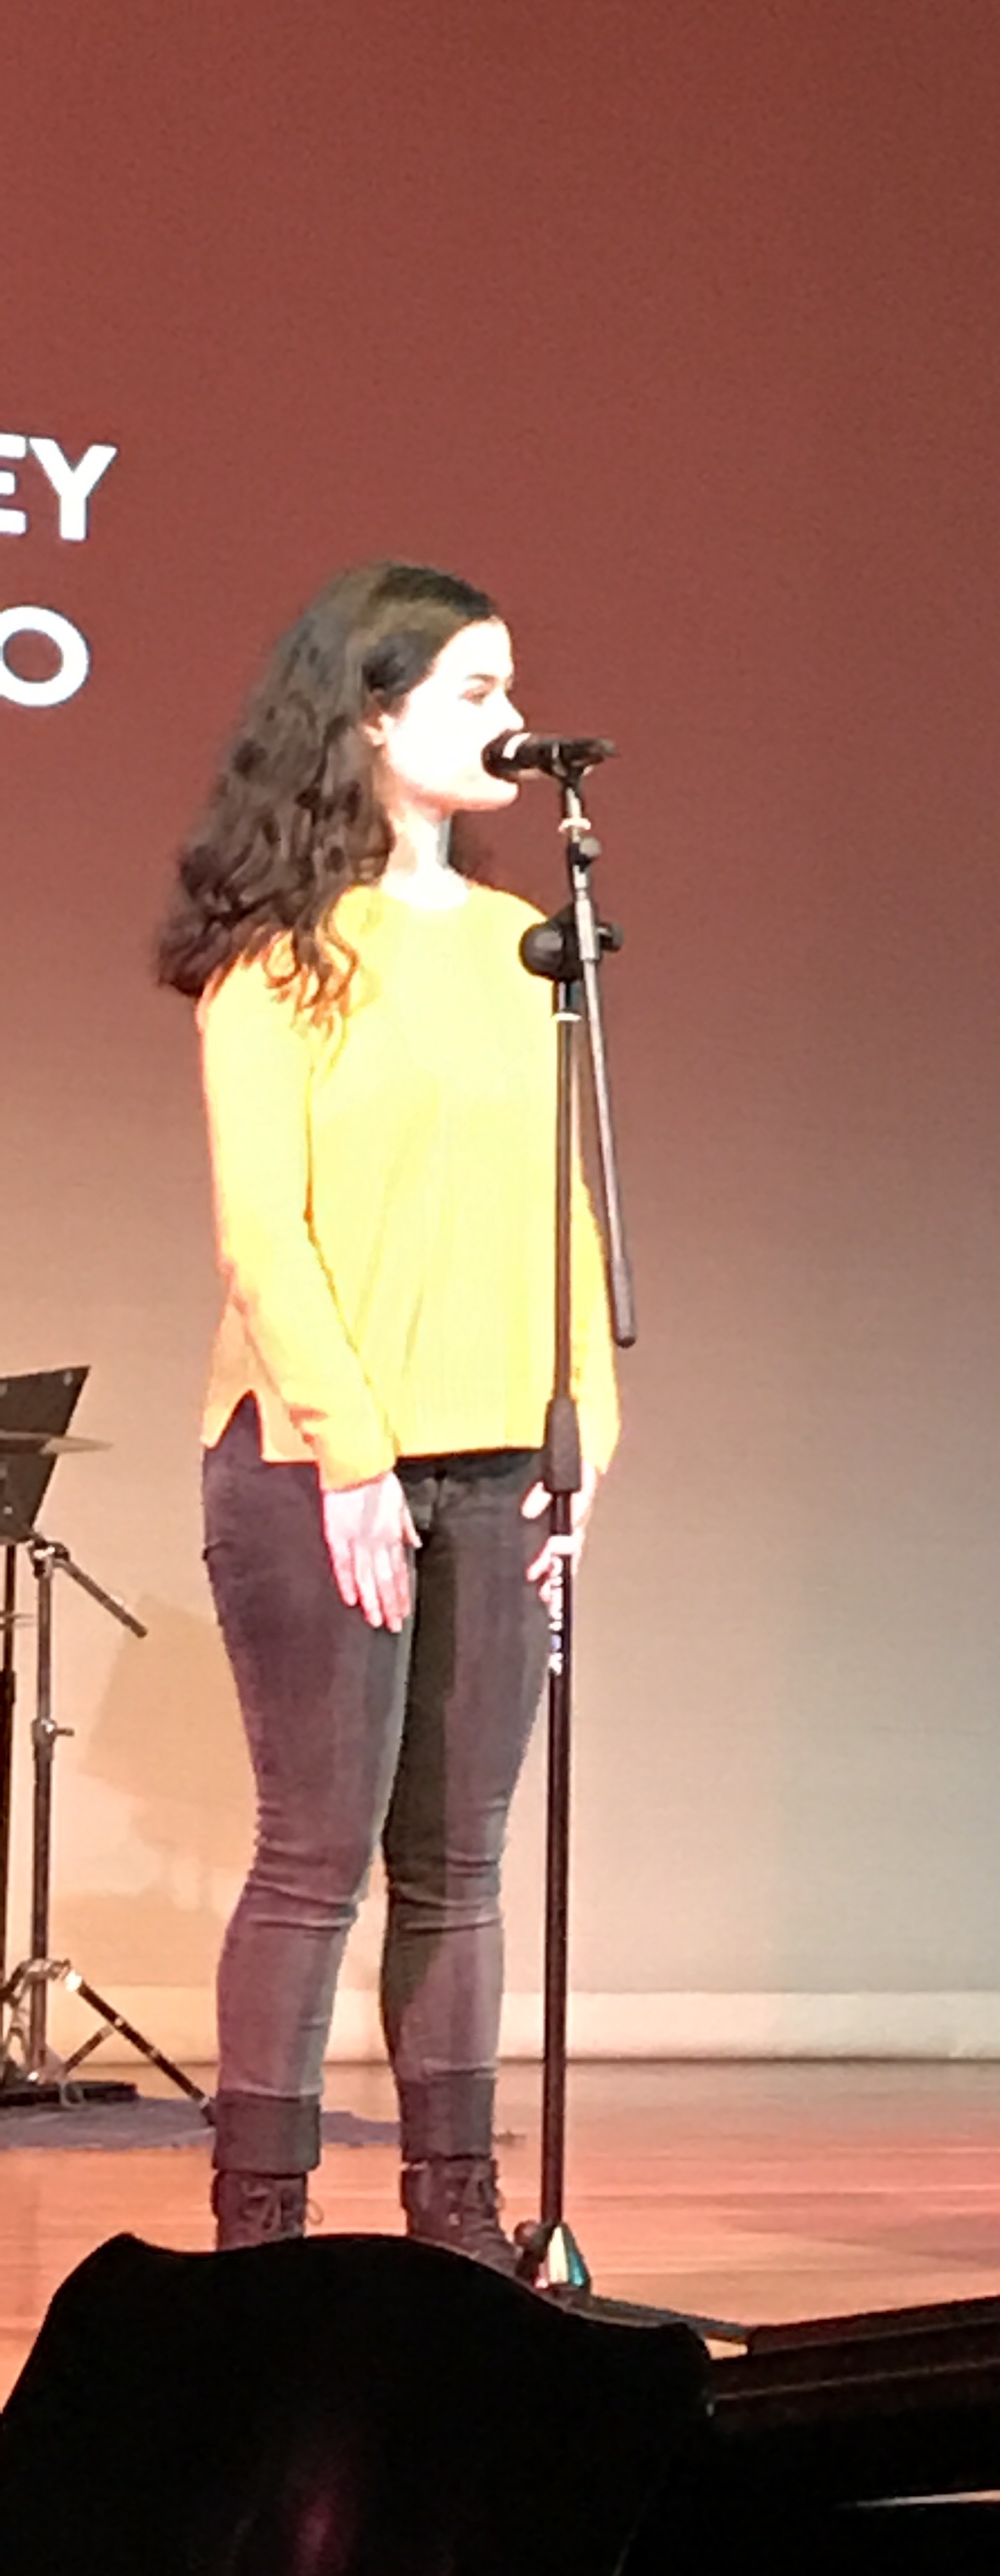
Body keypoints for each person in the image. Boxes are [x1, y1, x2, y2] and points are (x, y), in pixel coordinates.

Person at [158, 561, 618, 2260]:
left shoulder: (524, 948)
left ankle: (460, 2230)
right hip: (313, 1461)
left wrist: (585, 1443)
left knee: (464, 1865)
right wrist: (350, 1458)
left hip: (501, 1460)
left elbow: (569, 1209)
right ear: (370, 718)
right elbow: (262, 1232)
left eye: (513, 688)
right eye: (476, 691)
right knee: (315, 1860)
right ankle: (260, 2242)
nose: (513, 719)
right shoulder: (277, 958)